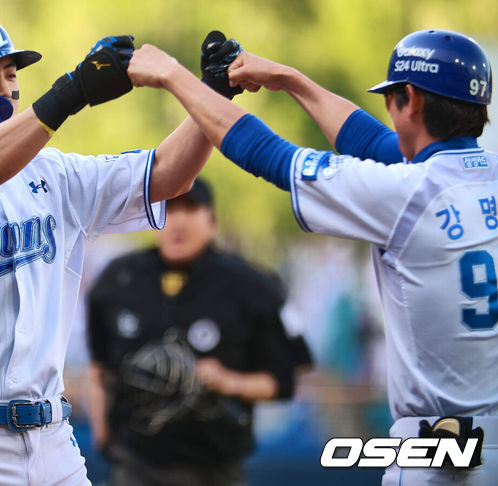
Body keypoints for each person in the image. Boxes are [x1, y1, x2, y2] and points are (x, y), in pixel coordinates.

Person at [125, 29, 498, 485]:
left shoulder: (405, 192)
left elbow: (266, 153)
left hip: (442, 458)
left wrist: (174, 77)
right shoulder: (474, 175)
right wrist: (291, 80)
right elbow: (379, 145)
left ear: (412, 100)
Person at [0, 18, 220, 486]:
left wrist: (212, 97)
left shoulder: (55, 174)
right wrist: (70, 93)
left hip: (52, 441)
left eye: (11, 75)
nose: (5, 89)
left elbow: (166, 175)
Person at [85, 177, 311, 486]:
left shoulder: (252, 285)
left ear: (211, 220)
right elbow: (99, 369)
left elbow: (286, 379)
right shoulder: (119, 278)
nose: (178, 221)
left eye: (190, 209)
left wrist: (229, 381)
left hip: (215, 466)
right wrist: (103, 437)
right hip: (136, 462)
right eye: (169, 210)